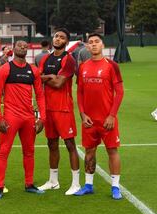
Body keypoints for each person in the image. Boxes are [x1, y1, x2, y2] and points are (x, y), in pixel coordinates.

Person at [0, 40, 46, 199]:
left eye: (25, 46)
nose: (22, 47)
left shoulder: (33, 70)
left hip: (28, 118)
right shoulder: (5, 69)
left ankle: (29, 184)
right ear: (13, 49)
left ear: (28, 50)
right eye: (19, 45)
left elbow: (40, 96)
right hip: (10, 117)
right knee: (3, 152)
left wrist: (42, 118)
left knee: (29, 152)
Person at [74, 33, 124, 200]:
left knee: (112, 151)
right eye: (91, 42)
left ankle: (115, 187)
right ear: (87, 47)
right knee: (89, 151)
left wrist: (112, 115)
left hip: (107, 120)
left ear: (102, 45)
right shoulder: (83, 67)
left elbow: (120, 92)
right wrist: (82, 113)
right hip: (89, 119)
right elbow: (80, 92)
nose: (94, 45)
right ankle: (88, 185)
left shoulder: (112, 66)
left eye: (97, 42)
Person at [38, 28, 81, 195]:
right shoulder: (46, 58)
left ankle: (76, 183)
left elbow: (58, 84)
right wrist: (51, 76)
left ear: (66, 42)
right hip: (48, 109)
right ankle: (53, 181)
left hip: (63, 108)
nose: (57, 39)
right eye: (56, 36)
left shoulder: (68, 59)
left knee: (70, 144)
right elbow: (38, 78)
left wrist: (46, 77)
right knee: (51, 144)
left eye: (62, 37)